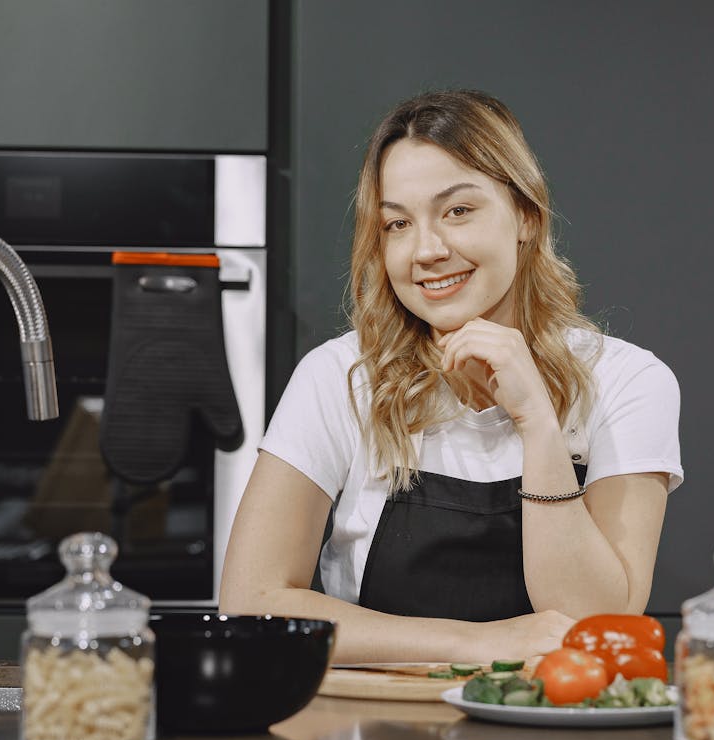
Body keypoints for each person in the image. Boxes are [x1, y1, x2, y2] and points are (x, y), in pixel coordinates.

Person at [220, 90, 683, 665]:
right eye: (397, 223)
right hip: (370, 736)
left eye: (458, 211)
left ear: (525, 217)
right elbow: (252, 601)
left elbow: (596, 626)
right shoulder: (338, 377)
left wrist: (537, 421)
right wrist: (478, 644)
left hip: (552, 737)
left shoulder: (627, 382)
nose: (427, 250)